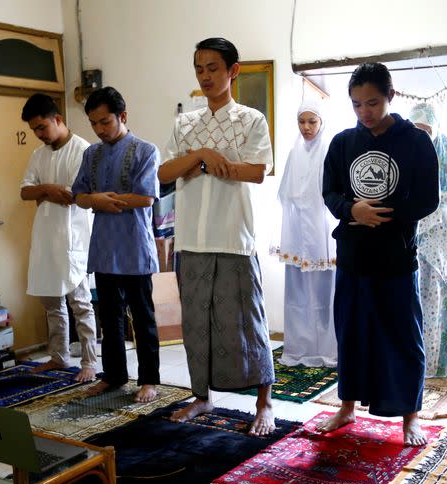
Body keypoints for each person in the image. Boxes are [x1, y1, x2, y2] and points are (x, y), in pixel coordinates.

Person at [158, 37, 276, 436]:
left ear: (233, 71)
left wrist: (200, 165)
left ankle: (265, 402)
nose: (205, 76)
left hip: (233, 236)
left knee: (247, 320)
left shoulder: (251, 120)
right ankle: (201, 396)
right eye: (199, 69)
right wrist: (202, 157)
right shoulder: (185, 123)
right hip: (190, 238)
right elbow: (164, 173)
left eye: (213, 68)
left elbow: (256, 171)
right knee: (196, 323)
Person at [319, 62, 439, 445]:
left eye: (372, 102)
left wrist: (383, 214)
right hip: (353, 255)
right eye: (356, 105)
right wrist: (354, 210)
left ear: (390, 96)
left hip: (396, 257)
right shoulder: (342, 143)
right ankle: (347, 406)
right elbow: (331, 192)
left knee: (403, 336)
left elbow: (427, 198)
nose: (365, 112)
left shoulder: (416, 141)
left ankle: (410, 416)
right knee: (351, 333)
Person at [71, 86, 161, 403]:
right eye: (94, 124)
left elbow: (147, 197)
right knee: (109, 319)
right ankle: (114, 376)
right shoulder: (90, 154)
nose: (99, 130)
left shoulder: (145, 151)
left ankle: (149, 380)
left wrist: (108, 201)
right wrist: (95, 200)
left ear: (122, 116)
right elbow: (78, 195)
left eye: (105, 122)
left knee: (143, 317)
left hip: (134, 247)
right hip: (104, 248)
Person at [19, 93, 98, 382]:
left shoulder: (83, 150)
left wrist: (46, 192)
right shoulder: (38, 155)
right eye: (34, 130)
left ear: (58, 119)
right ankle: (59, 356)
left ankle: (89, 362)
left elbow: (73, 196)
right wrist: (48, 189)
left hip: (73, 237)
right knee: (52, 302)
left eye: (42, 128)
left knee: (80, 302)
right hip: (45, 237)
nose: (39, 135)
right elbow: (25, 191)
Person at [271, 100, 337, 367]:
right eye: (302, 122)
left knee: (325, 292)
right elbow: (285, 196)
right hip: (299, 233)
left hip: (323, 233)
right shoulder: (294, 153)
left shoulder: (330, 151)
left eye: (312, 122)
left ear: (321, 122)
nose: (306, 127)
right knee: (298, 292)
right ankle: (300, 349)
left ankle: (328, 351)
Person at [408, 102, 447, 378]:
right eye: (416, 129)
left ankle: (435, 364)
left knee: (438, 300)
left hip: (442, 235)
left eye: (426, 129)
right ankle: (414, 362)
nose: (421, 135)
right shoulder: (407, 151)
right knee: (414, 298)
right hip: (412, 232)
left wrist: (432, 200)